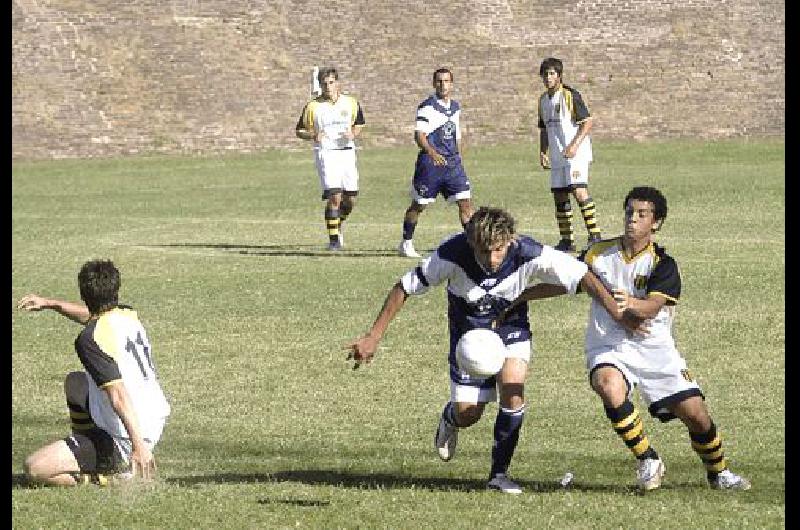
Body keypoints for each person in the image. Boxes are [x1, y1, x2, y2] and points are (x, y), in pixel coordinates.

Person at [348, 206, 631, 494]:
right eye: (484, 251)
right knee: (469, 413)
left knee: (513, 389)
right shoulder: (451, 254)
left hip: (511, 328)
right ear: (471, 242)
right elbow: (404, 287)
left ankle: (499, 474)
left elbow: (582, 274)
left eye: (498, 250)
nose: (492, 259)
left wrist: (617, 312)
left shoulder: (528, 251)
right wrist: (374, 335)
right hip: (468, 340)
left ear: (509, 241)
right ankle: (451, 418)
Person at [501, 187, 751, 491]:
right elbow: (566, 280)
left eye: (642, 214)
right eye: (630, 212)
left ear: (656, 223)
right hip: (608, 346)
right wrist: (519, 296)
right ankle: (647, 458)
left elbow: (651, 308)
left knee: (697, 416)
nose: (632, 219)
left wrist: (629, 302)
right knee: (608, 385)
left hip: (655, 351)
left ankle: (719, 473)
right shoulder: (598, 254)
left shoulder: (663, 264)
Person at [17, 260, 171, 486]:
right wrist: (50, 304)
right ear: (115, 288)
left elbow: (118, 396)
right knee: (76, 382)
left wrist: (138, 447)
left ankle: (108, 474)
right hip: (154, 417)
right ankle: (88, 445)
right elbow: (89, 316)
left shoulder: (90, 340)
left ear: (83, 294)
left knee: (36, 468)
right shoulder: (128, 315)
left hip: (128, 435)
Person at [397, 68, 474, 258]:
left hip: (453, 165)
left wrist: (459, 157)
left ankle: (472, 244)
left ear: (452, 84)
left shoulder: (456, 107)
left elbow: (456, 135)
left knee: (465, 203)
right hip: (431, 166)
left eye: (446, 81)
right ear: (433, 83)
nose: (443, 85)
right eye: (439, 81)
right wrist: (431, 153)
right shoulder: (426, 107)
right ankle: (406, 242)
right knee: (419, 205)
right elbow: (419, 135)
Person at [296, 67, 366, 251]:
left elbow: (359, 123)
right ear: (320, 85)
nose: (328, 86)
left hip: (347, 152)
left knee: (351, 198)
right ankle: (334, 241)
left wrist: (353, 133)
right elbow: (299, 130)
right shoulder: (313, 106)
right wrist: (312, 135)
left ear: (338, 83)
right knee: (335, 196)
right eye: (324, 83)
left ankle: (337, 224)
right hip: (326, 154)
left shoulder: (351, 103)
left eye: (331, 82)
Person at [537, 57, 601, 252]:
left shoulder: (570, 95)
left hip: (576, 153)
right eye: (545, 74)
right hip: (558, 155)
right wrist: (543, 151)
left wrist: (574, 145)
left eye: (552, 74)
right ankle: (567, 240)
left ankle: (595, 236)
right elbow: (544, 128)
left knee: (579, 191)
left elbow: (587, 122)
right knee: (559, 195)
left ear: (559, 76)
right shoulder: (542, 100)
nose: (548, 78)